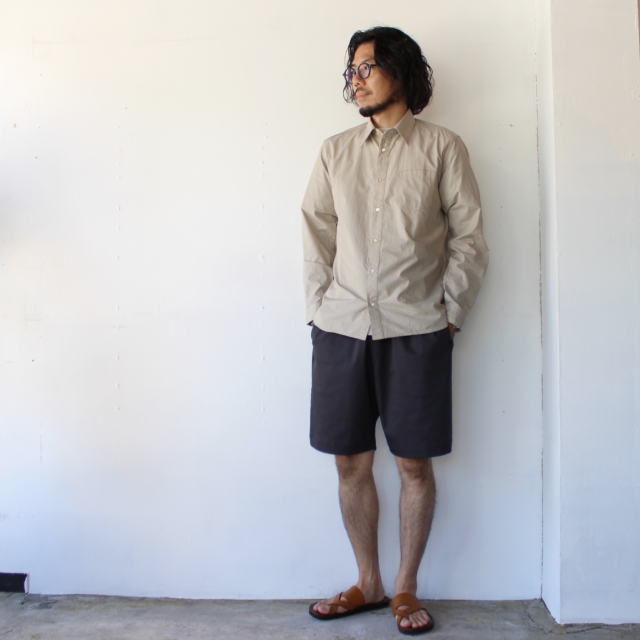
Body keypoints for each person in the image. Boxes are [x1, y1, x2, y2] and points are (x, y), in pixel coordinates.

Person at [301, 26, 489, 635]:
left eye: (367, 67)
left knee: (414, 467)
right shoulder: (334, 151)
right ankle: (369, 582)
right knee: (349, 464)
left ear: (399, 71)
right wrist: (318, 308)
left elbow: (469, 238)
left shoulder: (443, 148)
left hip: (417, 329)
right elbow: (316, 233)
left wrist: (450, 314)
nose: (355, 80)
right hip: (341, 328)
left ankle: (405, 587)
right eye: (351, 70)